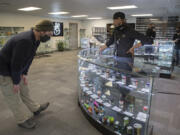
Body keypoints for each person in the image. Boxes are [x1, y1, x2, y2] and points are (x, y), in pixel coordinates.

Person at [0, 20, 54, 129]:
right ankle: (22, 120)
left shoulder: (36, 39)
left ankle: (35, 108)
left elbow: (29, 58)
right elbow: (16, 63)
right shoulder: (25, 40)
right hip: (4, 70)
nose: (50, 36)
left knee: (24, 89)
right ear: (42, 31)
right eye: (49, 33)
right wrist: (15, 82)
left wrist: (24, 73)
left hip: (16, 67)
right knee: (13, 96)